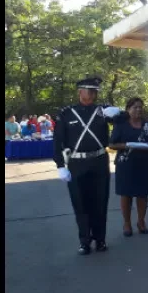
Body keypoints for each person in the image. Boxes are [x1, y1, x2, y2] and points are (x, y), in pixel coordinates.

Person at [53, 77, 123, 255]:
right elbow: (58, 141)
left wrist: (118, 113)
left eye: (95, 91)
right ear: (80, 92)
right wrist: (60, 165)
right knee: (80, 203)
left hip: (99, 161)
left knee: (100, 202)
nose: (92, 94)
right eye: (89, 90)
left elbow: (124, 121)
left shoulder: (103, 110)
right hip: (77, 163)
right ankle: (84, 241)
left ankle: (100, 240)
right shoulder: (66, 113)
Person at [109, 97, 148, 236]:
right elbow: (112, 144)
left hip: (143, 163)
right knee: (126, 194)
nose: (138, 109)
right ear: (128, 109)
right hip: (125, 164)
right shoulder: (121, 125)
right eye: (135, 107)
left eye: (140, 107)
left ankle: (141, 221)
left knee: (142, 194)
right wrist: (127, 145)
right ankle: (127, 223)